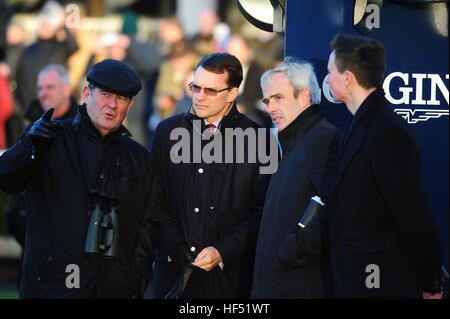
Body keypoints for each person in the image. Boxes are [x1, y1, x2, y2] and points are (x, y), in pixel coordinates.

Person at [0, 59, 158, 298]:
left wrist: (134, 277)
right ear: (86, 93)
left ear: (131, 104)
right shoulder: (49, 139)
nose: (112, 105)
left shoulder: (139, 157)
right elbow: (7, 179)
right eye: (105, 94)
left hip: (112, 290)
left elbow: (148, 225)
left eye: (122, 98)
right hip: (52, 288)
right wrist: (28, 146)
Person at [325, 33, 443, 298]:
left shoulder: (387, 132)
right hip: (355, 276)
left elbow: (414, 214)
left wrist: (430, 280)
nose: (327, 77)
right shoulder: (360, 124)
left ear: (347, 78)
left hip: (378, 280)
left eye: (331, 71)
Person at [150, 52, 271, 298]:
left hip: (230, 281)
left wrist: (222, 251)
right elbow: (153, 199)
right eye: (196, 87)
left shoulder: (260, 140)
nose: (200, 97)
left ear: (232, 93)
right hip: (173, 275)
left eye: (210, 90)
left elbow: (264, 212)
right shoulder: (166, 132)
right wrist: (175, 248)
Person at [250, 58, 341, 298]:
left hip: (299, 284)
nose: (270, 108)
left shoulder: (325, 140)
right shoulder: (286, 143)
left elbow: (335, 208)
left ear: (305, 96)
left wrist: (293, 250)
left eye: (278, 98)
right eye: (267, 101)